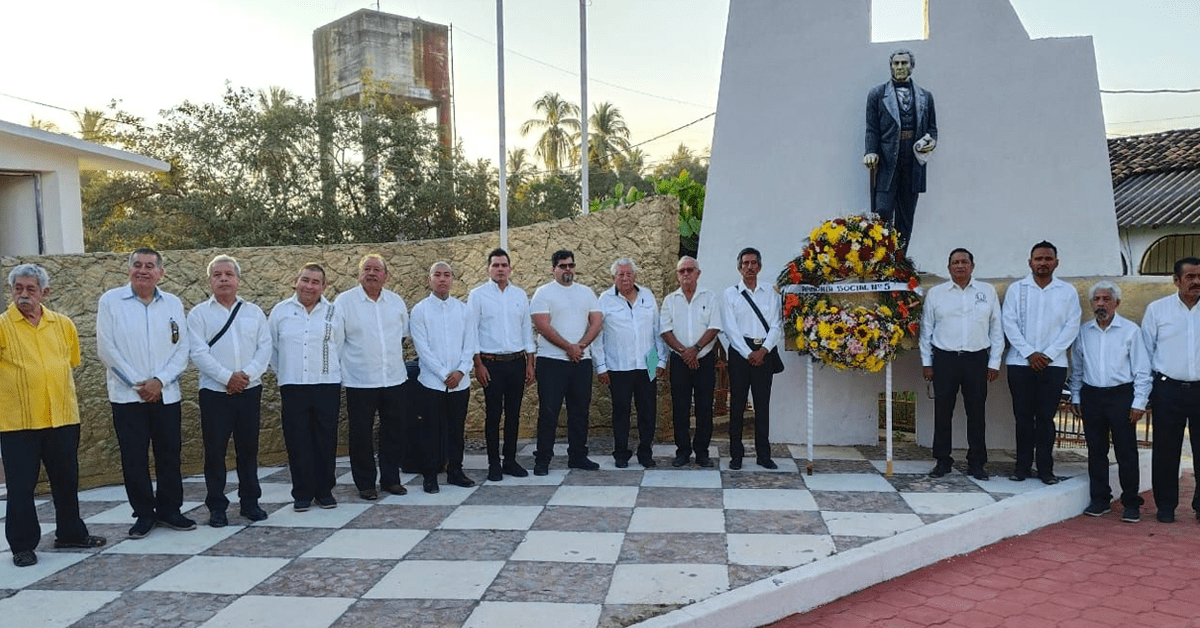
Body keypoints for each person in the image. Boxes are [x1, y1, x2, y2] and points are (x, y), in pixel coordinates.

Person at [2, 264, 106, 566]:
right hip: (17, 422)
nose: (23, 295)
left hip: (62, 418)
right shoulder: (2, 326)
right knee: (21, 487)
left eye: (30, 289)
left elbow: (70, 361)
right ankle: (22, 545)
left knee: (66, 480)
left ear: (44, 293)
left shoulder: (63, 324)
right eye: (18, 288)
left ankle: (71, 533)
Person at [97, 248, 194, 539]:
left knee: (169, 454)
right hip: (128, 396)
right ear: (129, 270)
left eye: (150, 266)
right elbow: (106, 349)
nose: (143, 270)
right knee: (134, 457)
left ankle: (170, 510)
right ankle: (143, 513)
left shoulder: (173, 303)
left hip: (166, 394)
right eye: (137, 265)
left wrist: (159, 382)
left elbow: (182, 348)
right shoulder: (111, 301)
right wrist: (139, 384)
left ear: (160, 273)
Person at [186, 255, 272, 527]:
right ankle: (217, 507)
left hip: (249, 390)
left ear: (238, 279)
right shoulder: (198, 314)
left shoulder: (254, 312)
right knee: (215, 452)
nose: (223, 279)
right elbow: (197, 352)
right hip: (215, 392)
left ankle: (250, 502)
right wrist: (226, 378)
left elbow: (265, 348)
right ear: (210, 280)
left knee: (248, 450)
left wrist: (246, 376)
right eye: (217, 275)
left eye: (228, 274)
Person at [1068, 281, 1150, 523]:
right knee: (1096, 451)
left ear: (1117, 303)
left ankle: (1131, 502)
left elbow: (1142, 370)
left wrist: (1139, 402)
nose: (1101, 304)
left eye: (1106, 299)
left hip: (1121, 396)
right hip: (1092, 396)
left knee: (1126, 451)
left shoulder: (1131, 331)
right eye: (1097, 300)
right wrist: (1076, 396)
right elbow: (1078, 368)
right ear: (1092, 304)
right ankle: (1100, 499)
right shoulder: (1084, 332)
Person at [918, 248, 1004, 480]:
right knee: (942, 412)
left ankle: (977, 463)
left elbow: (996, 328)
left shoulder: (987, 292)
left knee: (976, 413)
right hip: (945, 359)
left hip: (976, 359)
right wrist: (927, 363)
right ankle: (942, 461)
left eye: (964, 261)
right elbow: (926, 330)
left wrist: (994, 362)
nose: (960, 266)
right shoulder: (936, 294)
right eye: (955, 262)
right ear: (949, 268)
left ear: (972, 266)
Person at [1001, 241, 1081, 484]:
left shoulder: (1067, 292)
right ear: (1030, 262)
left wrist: (1047, 355)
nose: (1043, 263)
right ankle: (1022, 468)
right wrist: (1029, 353)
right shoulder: (1017, 289)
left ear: (1056, 262)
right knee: (1023, 418)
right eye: (1038, 259)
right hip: (1019, 363)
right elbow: (1009, 323)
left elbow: (1072, 326)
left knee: (1046, 419)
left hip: (1053, 366)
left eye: (1048, 259)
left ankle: (1046, 470)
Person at [269, 263, 344, 512]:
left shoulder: (334, 312)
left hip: (326, 385)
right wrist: (286, 373)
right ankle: (301, 493)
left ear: (324, 286)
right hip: (293, 385)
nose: (309, 286)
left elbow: (340, 346)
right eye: (305, 280)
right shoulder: (281, 311)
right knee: (297, 439)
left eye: (315, 282)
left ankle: (324, 491)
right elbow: (273, 350)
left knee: (325, 439)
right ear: (296, 280)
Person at [336, 253, 410, 501]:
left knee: (393, 432)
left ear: (386, 276)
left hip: (394, 379)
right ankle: (365, 483)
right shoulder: (344, 302)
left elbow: (402, 336)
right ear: (359, 274)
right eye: (366, 268)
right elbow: (337, 341)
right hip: (360, 380)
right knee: (361, 434)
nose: (371, 273)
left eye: (377, 269)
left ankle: (391, 480)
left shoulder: (396, 302)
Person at [530, 249, 603, 475]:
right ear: (554, 269)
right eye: (562, 266)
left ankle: (578, 456)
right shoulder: (543, 293)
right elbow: (542, 325)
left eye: (571, 265)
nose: (567, 270)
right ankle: (542, 460)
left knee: (579, 411)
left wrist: (579, 347)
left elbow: (596, 321)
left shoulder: (586, 292)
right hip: (551, 361)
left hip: (580, 361)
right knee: (549, 412)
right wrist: (568, 347)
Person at [1140, 257, 1200, 523]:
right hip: (1168, 390)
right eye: (1190, 277)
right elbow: (1145, 354)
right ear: (1176, 281)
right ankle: (1166, 506)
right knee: (1165, 451)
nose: (1197, 282)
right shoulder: (1157, 310)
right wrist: (1144, 394)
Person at [468, 248, 536, 482]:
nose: (500, 269)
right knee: (493, 415)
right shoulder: (477, 295)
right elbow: (472, 332)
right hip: (491, 364)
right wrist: (478, 364)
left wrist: (530, 363)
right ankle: (494, 463)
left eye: (503, 265)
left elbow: (527, 330)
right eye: (495, 265)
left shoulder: (519, 295)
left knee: (514, 415)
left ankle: (510, 461)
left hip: (516, 362)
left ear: (510, 269)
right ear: (488, 269)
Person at [410, 262, 478, 493]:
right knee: (430, 430)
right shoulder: (420, 310)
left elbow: (470, 344)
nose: (442, 279)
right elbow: (422, 349)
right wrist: (443, 374)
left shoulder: (463, 310)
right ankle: (430, 475)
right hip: (431, 383)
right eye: (437, 275)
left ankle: (455, 471)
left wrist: (460, 371)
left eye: (447, 275)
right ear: (429, 280)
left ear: (452, 279)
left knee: (456, 430)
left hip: (460, 383)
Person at [863, 48, 938, 252]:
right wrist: (871, 151)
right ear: (891, 67)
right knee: (882, 210)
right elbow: (872, 128)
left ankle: (900, 259)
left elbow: (932, 129)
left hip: (913, 160)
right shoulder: (877, 94)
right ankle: (881, 257)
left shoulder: (925, 97)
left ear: (911, 67)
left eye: (904, 63)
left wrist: (931, 142)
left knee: (906, 213)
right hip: (887, 160)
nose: (900, 67)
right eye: (896, 64)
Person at [596, 258, 666, 468]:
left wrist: (660, 360)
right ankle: (621, 453)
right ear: (613, 277)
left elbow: (657, 330)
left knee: (648, 412)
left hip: (647, 364)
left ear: (635, 276)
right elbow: (597, 335)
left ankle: (645, 452)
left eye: (628, 274)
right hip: (618, 366)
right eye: (620, 274)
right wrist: (601, 366)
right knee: (620, 412)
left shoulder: (647, 296)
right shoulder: (605, 299)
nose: (625, 278)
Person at [721, 247, 782, 470]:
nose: (749, 267)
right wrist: (748, 353)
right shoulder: (730, 294)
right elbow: (730, 329)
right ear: (739, 267)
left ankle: (763, 456)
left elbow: (777, 325)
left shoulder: (771, 293)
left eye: (753, 263)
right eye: (745, 263)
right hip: (740, 354)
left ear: (760, 266)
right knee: (737, 406)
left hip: (764, 352)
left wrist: (763, 350)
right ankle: (736, 455)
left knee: (762, 406)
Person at [660, 256, 722, 468]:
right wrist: (684, 353)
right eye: (681, 271)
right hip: (679, 362)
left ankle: (702, 452)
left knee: (705, 408)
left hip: (703, 360)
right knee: (680, 408)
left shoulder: (710, 297)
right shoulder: (670, 300)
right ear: (677, 276)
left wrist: (695, 351)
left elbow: (714, 327)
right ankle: (683, 451)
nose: (686, 274)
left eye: (690, 270)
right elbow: (665, 331)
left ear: (698, 273)